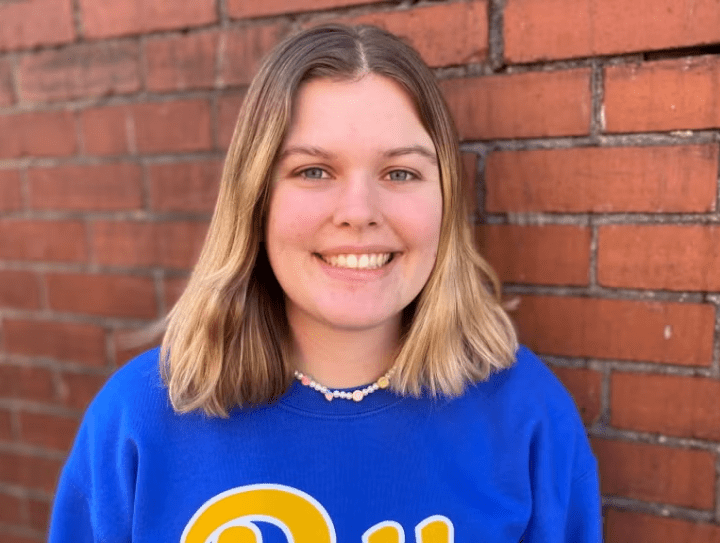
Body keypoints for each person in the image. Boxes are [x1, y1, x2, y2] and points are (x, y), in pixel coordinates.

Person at [49, 24, 601, 542]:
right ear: (256, 199)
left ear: (445, 201)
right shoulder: (140, 420)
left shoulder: (526, 415)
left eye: (400, 172)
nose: (358, 212)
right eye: (313, 171)